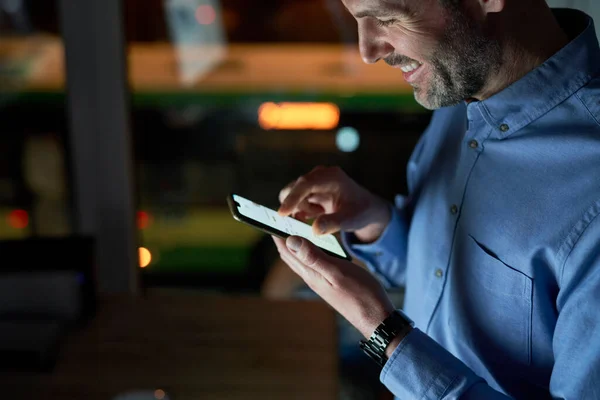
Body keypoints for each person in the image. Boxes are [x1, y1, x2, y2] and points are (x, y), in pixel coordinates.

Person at [272, 0, 600, 398]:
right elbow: (442, 274)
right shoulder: (458, 90)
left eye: (388, 18)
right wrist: (378, 225)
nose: (368, 51)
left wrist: (384, 333)